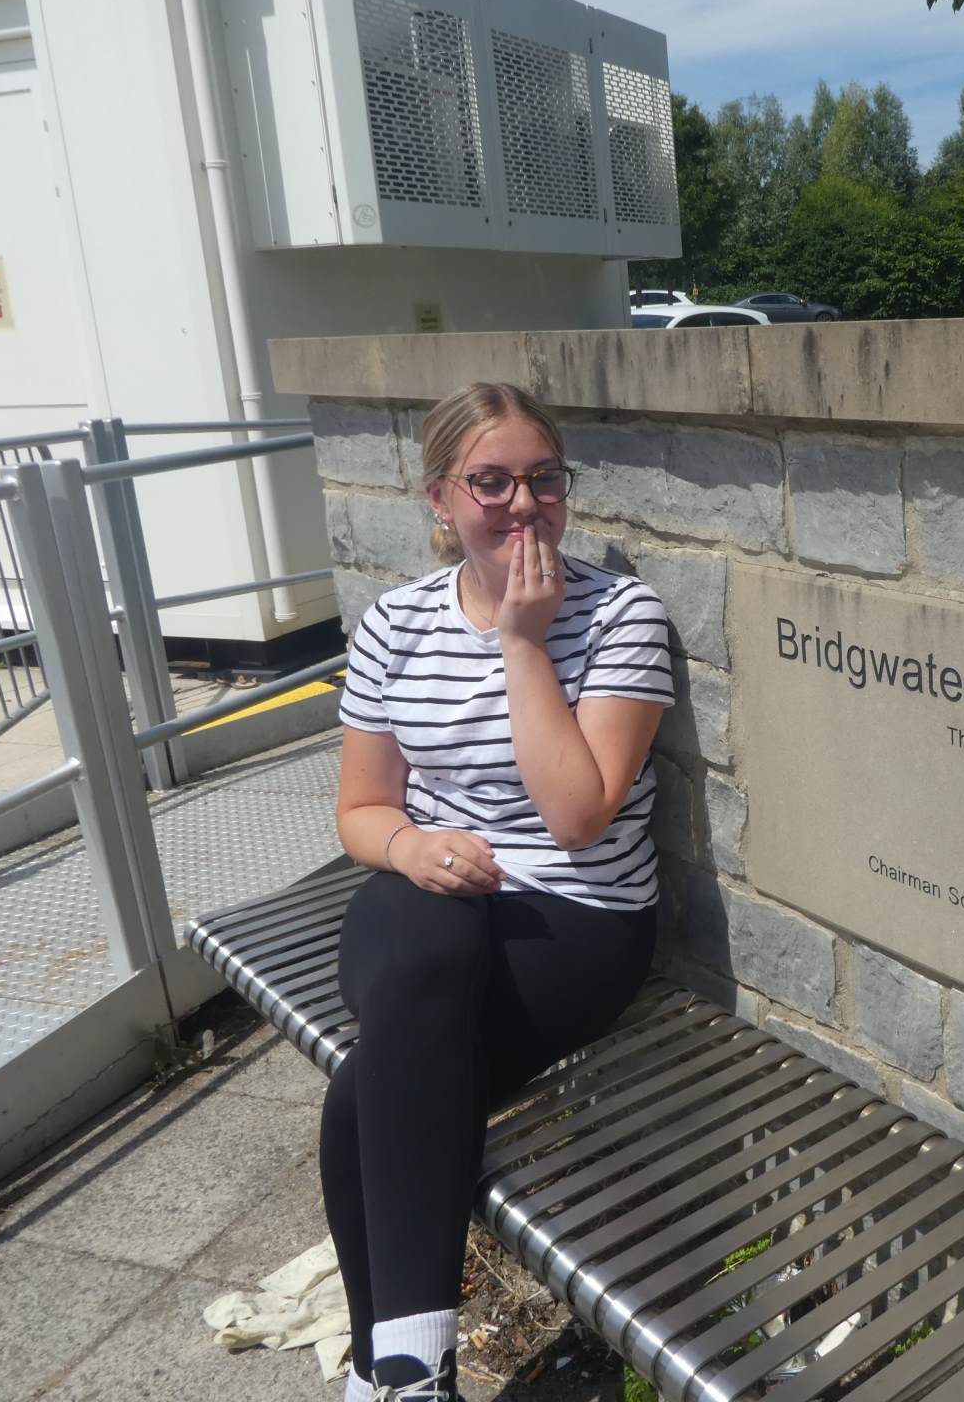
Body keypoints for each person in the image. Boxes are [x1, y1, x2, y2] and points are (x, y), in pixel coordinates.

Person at [323, 381, 673, 1401]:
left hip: (578, 918)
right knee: (426, 953)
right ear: (440, 497)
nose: (524, 504)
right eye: (491, 482)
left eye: (544, 479)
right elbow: (360, 809)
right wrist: (412, 849)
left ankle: (390, 1369)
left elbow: (578, 817)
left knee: (366, 1091)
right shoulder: (396, 623)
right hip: (425, 894)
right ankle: (414, 1372)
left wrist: (524, 642)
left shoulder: (621, 616)